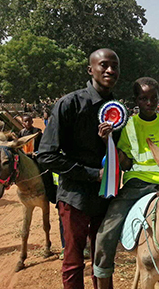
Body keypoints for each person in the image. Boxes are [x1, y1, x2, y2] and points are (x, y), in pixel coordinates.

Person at [94, 77, 159, 289]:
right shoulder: (129, 125)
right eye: (143, 98)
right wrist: (108, 141)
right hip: (135, 186)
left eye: (153, 98)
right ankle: (103, 273)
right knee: (106, 232)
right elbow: (125, 162)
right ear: (136, 100)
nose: (149, 102)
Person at [37, 48, 121, 289]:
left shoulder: (117, 108)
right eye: (104, 65)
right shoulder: (69, 104)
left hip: (106, 198)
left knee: (102, 260)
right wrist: (93, 174)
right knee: (74, 261)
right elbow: (46, 155)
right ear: (90, 69)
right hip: (74, 198)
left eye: (114, 66)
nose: (110, 70)